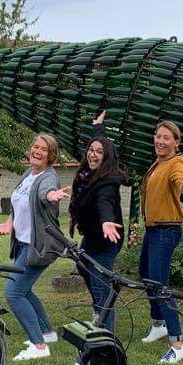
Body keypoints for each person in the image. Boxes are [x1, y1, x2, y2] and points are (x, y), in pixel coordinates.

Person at [0, 134, 68, 361]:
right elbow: (18, 202)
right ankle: (47, 332)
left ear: (50, 155)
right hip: (24, 243)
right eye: (35, 146)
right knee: (24, 289)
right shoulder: (29, 173)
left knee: (14, 293)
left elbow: (45, 192)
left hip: (39, 247)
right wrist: (9, 222)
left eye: (44, 149)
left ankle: (39, 345)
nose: (38, 151)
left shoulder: (48, 178)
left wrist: (51, 195)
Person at [139, 120, 183, 364]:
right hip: (153, 230)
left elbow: (180, 181)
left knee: (160, 284)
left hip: (166, 230)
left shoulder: (176, 163)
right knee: (146, 275)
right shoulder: (158, 163)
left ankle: (177, 344)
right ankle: (159, 324)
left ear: (176, 142)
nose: (160, 141)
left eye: (166, 138)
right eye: (158, 136)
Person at [65, 111, 126, 328]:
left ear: (106, 157)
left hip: (107, 239)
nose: (93, 154)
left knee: (101, 286)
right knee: (82, 266)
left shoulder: (108, 180)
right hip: (92, 235)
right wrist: (98, 127)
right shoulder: (85, 175)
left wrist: (107, 220)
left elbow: (105, 201)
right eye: (91, 149)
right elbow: (100, 140)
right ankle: (98, 311)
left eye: (99, 152)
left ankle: (106, 336)